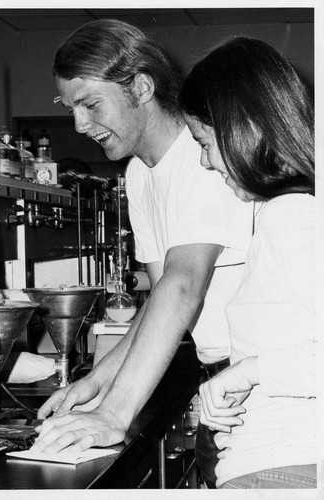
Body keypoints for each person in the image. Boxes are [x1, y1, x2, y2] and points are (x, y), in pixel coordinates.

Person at [31, 20, 254, 483]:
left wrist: (113, 413)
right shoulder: (140, 173)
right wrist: (96, 380)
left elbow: (183, 284)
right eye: (70, 107)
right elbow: (159, 301)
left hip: (259, 379)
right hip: (220, 377)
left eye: (91, 104)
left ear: (142, 86)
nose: (79, 124)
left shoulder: (199, 158)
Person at [179, 36, 316, 488]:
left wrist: (245, 372)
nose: (203, 161)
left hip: (285, 467)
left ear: (246, 128)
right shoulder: (286, 212)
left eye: (205, 141)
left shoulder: (293, 215)